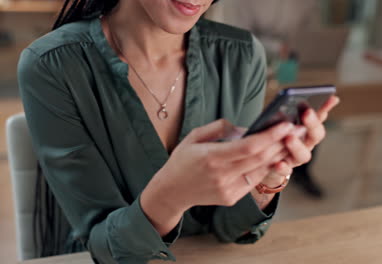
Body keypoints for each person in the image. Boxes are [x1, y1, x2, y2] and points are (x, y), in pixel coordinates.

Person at [17, 0, 339, 263]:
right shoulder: (53, 65)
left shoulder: (240, 57)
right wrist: (173, 194)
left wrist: (268, 177)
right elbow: (104, 248)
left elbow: (231, 230)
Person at [213, 0, 327, 197]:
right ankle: (248, 171)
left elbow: (311, 33)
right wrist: (279, 45)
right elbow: (237, 36)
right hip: (244, 64)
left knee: (306, 107)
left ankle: (299, 170)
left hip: (290, 63)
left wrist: (297, 47)